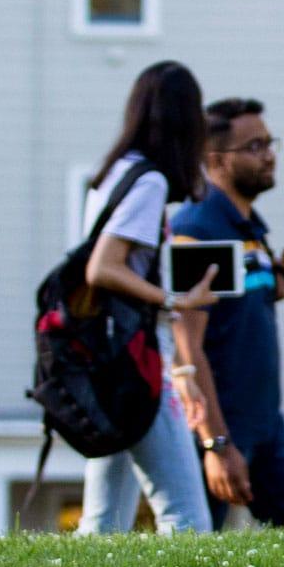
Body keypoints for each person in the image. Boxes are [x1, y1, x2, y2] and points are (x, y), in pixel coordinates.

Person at [76, 60, 222, 536]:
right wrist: (173, 301)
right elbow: (103, 267)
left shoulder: (114, 174)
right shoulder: (150, 182)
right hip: (132, 363)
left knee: (104, 521)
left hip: (106, 356)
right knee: (187, 517)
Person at [171, 97, 284, 528]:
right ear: (215, 160)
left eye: (269, 142)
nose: (269, 155)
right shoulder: (196, 231)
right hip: (220, 426)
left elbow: (231, 313)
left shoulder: (249, 229)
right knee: (192, 560)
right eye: (254, 147)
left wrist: (276, 287)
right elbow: (187, 348)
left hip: (267, 424)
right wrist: (215, 445)